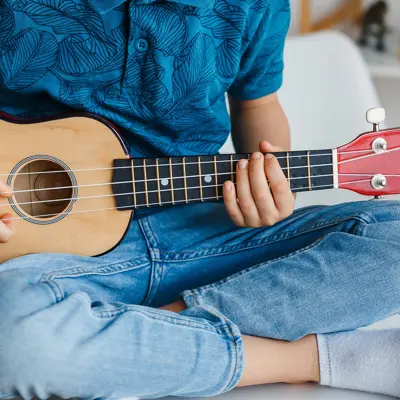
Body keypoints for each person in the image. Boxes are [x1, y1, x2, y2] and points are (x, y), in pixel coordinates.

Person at [0, 0, 399, 398]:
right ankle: (311, 360)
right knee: (13, 343)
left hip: (204, 231)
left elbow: (257, 104)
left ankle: (132, 341)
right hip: (41, 251)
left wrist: (274, 187)